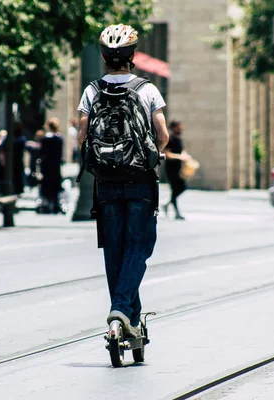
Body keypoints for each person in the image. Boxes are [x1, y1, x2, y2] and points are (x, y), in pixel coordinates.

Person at [77, 24, 169, 338]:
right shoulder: (148, 89)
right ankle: (120, 310)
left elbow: (81, 136)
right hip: (141, 181)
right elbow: (163, 135)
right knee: (139, 246)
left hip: (105, 184)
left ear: (103, 56)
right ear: (133, 56)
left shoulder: (92, 91)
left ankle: (129, 317)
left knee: (114, 250)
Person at [163, 120, 191, 220]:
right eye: (179, 127)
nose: (181, 129)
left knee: (182, 187)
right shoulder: (169, 139)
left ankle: (167, 204)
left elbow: (181, 151)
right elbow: (167, 154)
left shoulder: (179, 139)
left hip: (179, 169)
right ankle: (176, 212)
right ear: (174, 128)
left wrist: (186, 156)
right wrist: (180, 157)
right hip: (171, 169)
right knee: (175, 189)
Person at [39, 118, 64, 214]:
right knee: (55, 183)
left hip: (46, 165)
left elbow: (41, 152)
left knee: (47, 183)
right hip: (55, 165)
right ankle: (55, 203)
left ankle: (47, 203)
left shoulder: (45, 139)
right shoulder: (59, 138)